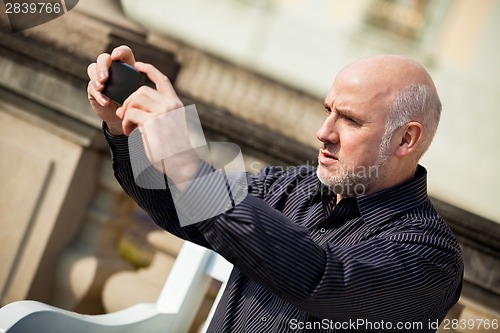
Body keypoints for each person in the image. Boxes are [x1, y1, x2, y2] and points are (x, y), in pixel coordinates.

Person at [87, 45, 463, 332]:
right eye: (327, 110)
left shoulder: (431, 257)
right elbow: (178, 208)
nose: (324, 132)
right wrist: (125, 128)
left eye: (349, 119)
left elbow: (323, 280)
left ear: (406, 139)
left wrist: (187, 161)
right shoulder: (291, 186)